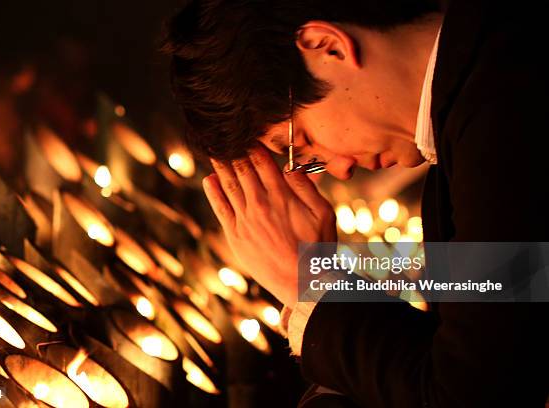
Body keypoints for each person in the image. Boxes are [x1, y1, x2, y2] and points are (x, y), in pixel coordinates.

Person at [162, 0, 549, 406]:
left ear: (328, 47)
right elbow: (468, 353)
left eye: (301, 143)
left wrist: (312, 285)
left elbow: (477, 393)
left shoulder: (508, 108)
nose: (340, 170)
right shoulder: (473, 105)